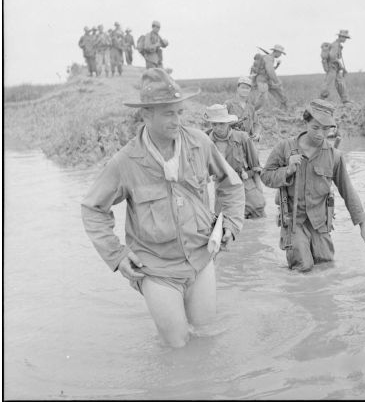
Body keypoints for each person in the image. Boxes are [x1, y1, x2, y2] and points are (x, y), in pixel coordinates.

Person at [81, 69, 245, 348]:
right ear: (147, 115)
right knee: (177, 345)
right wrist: (118, 256)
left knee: (206, 338)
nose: (177, 120)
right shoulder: (126, 162)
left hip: (201, 258)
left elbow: (231, 185)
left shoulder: (199, 143)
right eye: (169, 114)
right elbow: (93, 209)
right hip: (156, 268)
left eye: (179, 112)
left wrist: (230, 223)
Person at [261, 98, 365, 272]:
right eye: (315, 127)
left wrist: (363, 226)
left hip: (320, 224)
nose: (320, 134)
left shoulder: (334, 156)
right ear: (306, 122)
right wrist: (288, 170)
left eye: (325, 129)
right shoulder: (284, 148)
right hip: (294, 222)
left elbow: (348, 191)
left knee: (326, 267)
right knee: (303, 267)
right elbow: (266, 176)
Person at [204, 104, 266, 220]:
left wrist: (259, 191)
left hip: (246, 185)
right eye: (214, 124)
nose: (218, 128)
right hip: (223, 188)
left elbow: (255, 167)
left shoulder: (242, 138)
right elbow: (203, 174)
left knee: (257, 217)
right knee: (223, 222)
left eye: (221, 123)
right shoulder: (206, 141)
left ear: (228, 123)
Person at [251, 44, 288, 111]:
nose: (280, 55)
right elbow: (270, 71)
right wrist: (277, 81)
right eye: (280, 53)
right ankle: (251, 111)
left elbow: (268, 69)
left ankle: (283, 109)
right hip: (262, 80)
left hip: (267, 80)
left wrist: (277, 65)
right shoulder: (269, 58)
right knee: (263, 98)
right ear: (277, 52)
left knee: (279, 93)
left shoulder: (268, 58)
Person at [225, 76, 262, 142]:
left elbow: (256, 123)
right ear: (237, 88)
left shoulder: (250, 107)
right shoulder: (229, 104)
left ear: (250, 90)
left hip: (248, 141)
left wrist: (257, 133)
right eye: (243, 87)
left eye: (247, 88)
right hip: (232, 141)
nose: (245, 90)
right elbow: (221, 122)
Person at [320, 29, 352, 105]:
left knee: (340, 83)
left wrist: (340, 67)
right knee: (328, 83)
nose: (345, 39)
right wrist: (341, 66)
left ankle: (345, 100)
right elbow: (332, 57)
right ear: (340, 37)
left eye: (346, 38)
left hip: (335, 68)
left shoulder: (337, 45)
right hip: (332, 67)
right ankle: (320, 100)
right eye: (344, 37)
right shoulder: (335, 45)